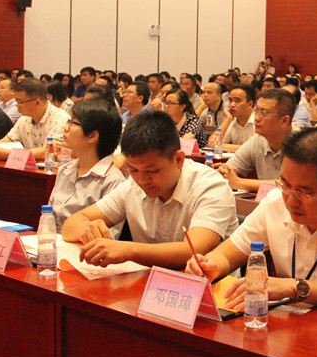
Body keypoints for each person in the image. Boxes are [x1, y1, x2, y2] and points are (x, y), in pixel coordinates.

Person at [187, 128, 317, 315]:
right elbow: (227, 255)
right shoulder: (274, 203)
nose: (290, 201)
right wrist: (211, 264)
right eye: (285, 185)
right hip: (296, 319)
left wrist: (294, 287)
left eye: (304, 193)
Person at [62, 111, 238, 268]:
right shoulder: (131, 187)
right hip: (147, 284)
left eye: (152, 171)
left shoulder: (211, 186)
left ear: (178, 159)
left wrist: (128, 250)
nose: (142, 180)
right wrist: (85, 229)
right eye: (133, 170)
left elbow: (192, 250)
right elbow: (71, 224)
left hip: (212, 287)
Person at [47, 99, 125, 231]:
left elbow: (107, 236)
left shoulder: (113, 181)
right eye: (68, 121)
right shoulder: (64, 170)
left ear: (92, 136)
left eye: (74, 123)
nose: (66, 128)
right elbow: (48, 218)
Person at [216, 89, 296, 192]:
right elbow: (228, 169)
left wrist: (239, 182)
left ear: (284, 121)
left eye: (264, 112)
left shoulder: (303, 144)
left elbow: (290, 186)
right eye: (256, 111)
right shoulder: (257, 140)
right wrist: (224, 171)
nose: (257, 118)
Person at [0, 79, 69, 159]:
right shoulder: (24, 119)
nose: (17, 105)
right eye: (16, 101)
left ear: (37, 102)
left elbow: (48, 151)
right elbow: (4, 142)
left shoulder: (59, 118)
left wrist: (9, 153)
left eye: (20, 102)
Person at [214, 83, 256, 150]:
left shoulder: (258, 122)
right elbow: (213, 143)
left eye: (237, 101)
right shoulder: (232, 121)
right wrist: (228, 119)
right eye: (230, 101)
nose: (232, 105)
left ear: (250, 104)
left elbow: (255, 149)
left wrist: (221, 146)